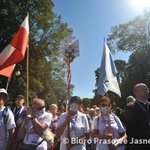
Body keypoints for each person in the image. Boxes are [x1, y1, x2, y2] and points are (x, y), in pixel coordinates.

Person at [124, 83, 150, 150]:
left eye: (146, 89)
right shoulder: (130, 107)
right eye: (142, 89)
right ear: (135, 92)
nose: (146, 91)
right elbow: (131, 130)